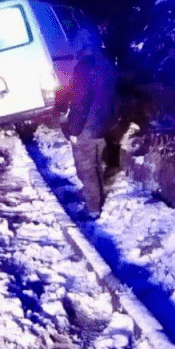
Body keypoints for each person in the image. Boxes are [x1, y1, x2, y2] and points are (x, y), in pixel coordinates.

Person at [60, 28, 118, 218]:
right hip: (104, 125)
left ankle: (92, 208)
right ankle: (93, 194)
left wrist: (72, 129)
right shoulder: (108, 63)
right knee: (96, 165)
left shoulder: (84, 67)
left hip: (87, 126)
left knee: (86, 169)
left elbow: (81, 102)